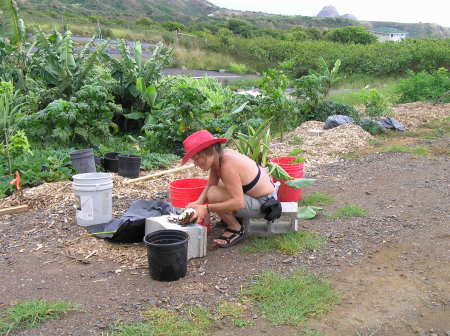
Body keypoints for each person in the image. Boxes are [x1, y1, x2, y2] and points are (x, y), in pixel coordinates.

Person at [181, 130, 277, 248]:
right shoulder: (220, 157)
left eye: (196, 159)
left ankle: (236, 228)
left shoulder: (227, 166)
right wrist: (197, 203)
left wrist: (206, 208)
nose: (195, 164)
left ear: (208, 152)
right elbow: (211, 183)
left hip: (266, 204)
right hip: (260, 195)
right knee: (215, 188)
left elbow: (238, 202)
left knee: (213, 195)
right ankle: (233, 218)